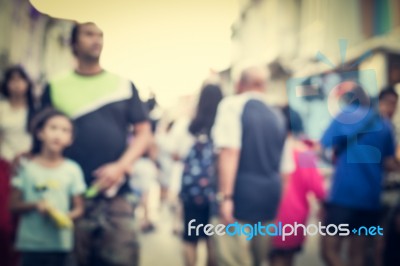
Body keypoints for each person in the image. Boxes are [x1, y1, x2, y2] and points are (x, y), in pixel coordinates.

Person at [39, 22, 151, 266]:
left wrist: (121, 167)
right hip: (69, 196)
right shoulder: (55, 86)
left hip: (116, 194)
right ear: (74, 43)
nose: (96, 40)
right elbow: (41, 135)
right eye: (89, 34)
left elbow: (144, 133)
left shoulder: (123, 85)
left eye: (100, 35)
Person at [212, 66, 286, 266]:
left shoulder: (232, 105)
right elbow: (285, 166)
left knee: (232, 259)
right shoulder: (277, 114)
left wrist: (225, 197)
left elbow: (229, 151)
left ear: (239, 84)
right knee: (258, 259)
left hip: (240, 196)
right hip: (270, 196)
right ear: (264, 85)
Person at [320, 83, 400, 266]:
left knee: (329, 251)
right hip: (370, 200)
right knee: (358, 256)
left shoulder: (346, 116)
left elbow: (323, 147)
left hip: (343, 197)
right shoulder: (385, 126)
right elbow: (389, 163)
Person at [9, 109, 86, 266]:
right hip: (30, 245)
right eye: (53, 128)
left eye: (65, 130)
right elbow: (12, 205)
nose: (58, 134)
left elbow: (79, 208)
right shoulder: (25, 167)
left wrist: (66, 217)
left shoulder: (73, 170)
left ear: (70, 139)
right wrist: (35, 205)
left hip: (61, 245)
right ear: (40, 133)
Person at [270, 106, 326, 266]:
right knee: (286, 260)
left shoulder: (268, 149)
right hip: (294, 217)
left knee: (272, 258)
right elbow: (318, 189)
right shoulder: (304, 153)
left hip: (268, 214)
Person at [179, 84, 223, 266]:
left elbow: (178, 154)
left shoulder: (191, 127)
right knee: (213, 237)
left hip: (192, 191)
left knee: (191, 237)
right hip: (215, 191)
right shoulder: (223, 125)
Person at [0, 65, 35, 266]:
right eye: (12, 79)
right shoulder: (2, 107)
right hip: (3, 165)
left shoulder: (35, 109)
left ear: (27, 83)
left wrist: (27, 154)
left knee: (22, 219)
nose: (17, 84)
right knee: (4, 220)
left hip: (28, 167)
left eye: (21, 79)